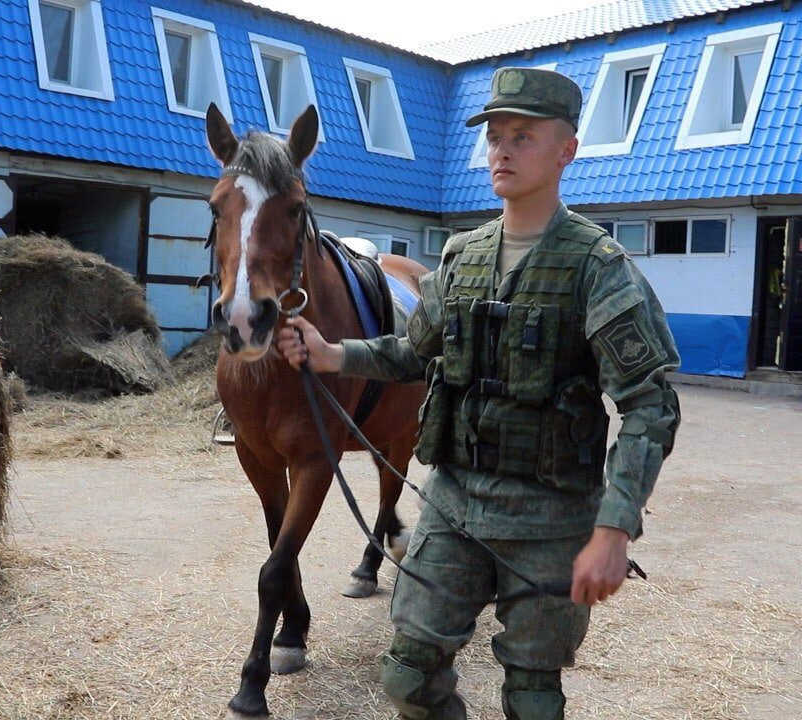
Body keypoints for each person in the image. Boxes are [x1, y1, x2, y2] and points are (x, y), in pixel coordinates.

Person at [278, 67, 681, 720]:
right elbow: (412, 351)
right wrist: (332, 354)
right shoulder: (462, 257)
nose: (502, 150)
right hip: (456, 502)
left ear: (565, 151)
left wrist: (613, 527)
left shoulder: (597, 268)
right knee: (409, 675)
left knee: (531, 692)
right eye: (495, 136)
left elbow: (650, 405)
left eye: (522, 136)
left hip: (550, 515)